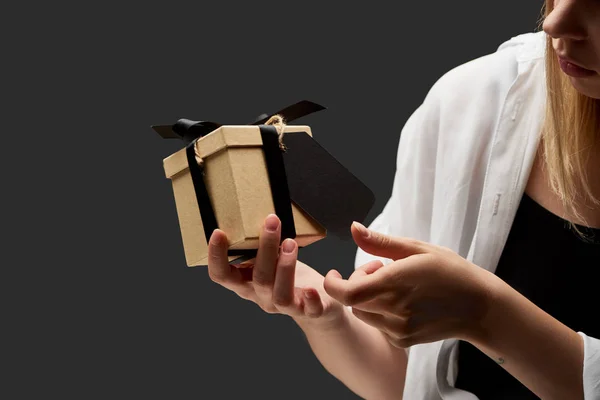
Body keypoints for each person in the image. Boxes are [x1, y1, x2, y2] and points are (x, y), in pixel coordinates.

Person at [206, 0, 600, 398]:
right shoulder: (475, 101)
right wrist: (325, 314)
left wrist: (485, 314)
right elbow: (404, 380)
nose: (555, 22)